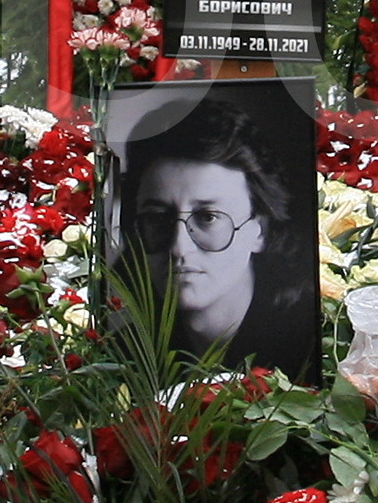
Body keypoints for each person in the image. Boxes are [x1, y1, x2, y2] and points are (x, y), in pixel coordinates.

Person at [109, 88, 319, 381]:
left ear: (259, 230)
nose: (179, 248)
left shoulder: (310, 346)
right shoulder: (125, 358)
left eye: (208, 217)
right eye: (158, 218)